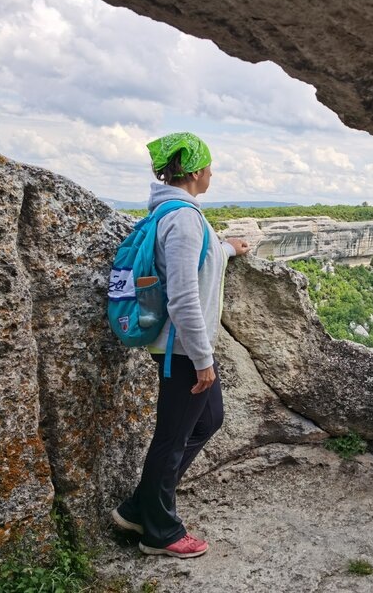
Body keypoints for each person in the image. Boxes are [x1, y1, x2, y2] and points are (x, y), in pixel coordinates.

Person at [111, 132, 250, 559]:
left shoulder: (174, 214)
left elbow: (194, 265)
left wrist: (226, 248)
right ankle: (160, 532)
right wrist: (203, 358)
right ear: (193, 171)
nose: (212, 173)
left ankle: (141, 507)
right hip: (183, 351)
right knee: (171, 440)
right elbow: (185, 296)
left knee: (208, 421)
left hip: (183, 348)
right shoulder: (184, 219)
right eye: (208, 166)